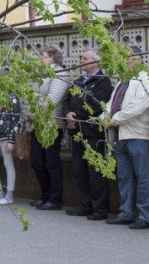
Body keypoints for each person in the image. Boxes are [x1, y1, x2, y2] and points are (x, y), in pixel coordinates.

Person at [105, 46, 149, 230]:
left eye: (128, 58)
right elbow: (111, 104)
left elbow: (139, 106)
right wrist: (105, 117)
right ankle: (126, 212)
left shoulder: (146, 79)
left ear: (138, 59)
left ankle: (145, 217)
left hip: (139, 134)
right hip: (121, 134)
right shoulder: (122, 82)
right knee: (124, 176)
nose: (125, 62)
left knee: (143, 176)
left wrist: (114, 119)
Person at [63, 48, 113, 220]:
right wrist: (68, 114)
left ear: (96, 62)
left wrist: (77, 115)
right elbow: (66, 101)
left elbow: (97, 105)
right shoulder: (78, 82)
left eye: (85, 58)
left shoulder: (103, 82)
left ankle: (100, 209)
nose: (82, 61)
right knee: (79, 170)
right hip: (76, 131)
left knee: (95, 171)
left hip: (92, 133)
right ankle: (84, 205)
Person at [29, 45, 71, 210]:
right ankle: (45, 194)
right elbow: (34, 97)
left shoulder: (60, 73)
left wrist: (34, 112)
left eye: (43, 56)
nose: (40, 58)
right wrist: (31, 111)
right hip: (39, 123)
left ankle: (55, 198)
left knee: (51, 161)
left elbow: (53, 98)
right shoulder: (42, 74)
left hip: (52, 124)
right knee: (37, 161)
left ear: (53, 58)